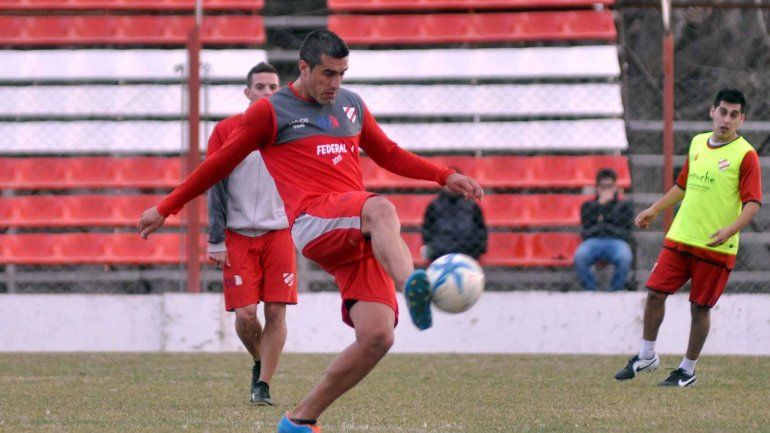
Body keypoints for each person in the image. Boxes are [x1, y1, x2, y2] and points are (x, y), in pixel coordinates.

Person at [137, 29, 483, 432]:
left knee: (377, 337)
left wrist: (444, 176)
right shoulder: (270, 112)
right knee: (383, 208)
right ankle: (414, 285)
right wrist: (167, 207)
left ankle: (299, 420)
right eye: (327, 74)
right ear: (303, 68)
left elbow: (388, 153)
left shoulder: (351, 106)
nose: (335, 83)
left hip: (355, 229)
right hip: (315, 222)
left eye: (342, 74)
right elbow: (218, 164)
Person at [614, 89, 761, 387]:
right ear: (712, 112)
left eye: (734, 115)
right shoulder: (696, 143)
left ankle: (687, 370)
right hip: (681, 236)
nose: (727, 119)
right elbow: (683, 185)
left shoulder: (746, 155)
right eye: (723, 112)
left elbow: (753, 203)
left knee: (700, 307)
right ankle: (646, 355)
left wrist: (729, 230)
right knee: (655, 293)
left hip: (716, 244)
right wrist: (654, 209)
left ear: (742, 120)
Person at [206, 62, 295, 406]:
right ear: (248, 93)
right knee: (245, 317)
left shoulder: (291, 131)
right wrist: (215, 239)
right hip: (237, 235)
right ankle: (261, 363)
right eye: (260, 87)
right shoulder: (227, 131)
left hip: (279, 234)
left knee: (276, 313)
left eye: (274, 87)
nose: (267, 93)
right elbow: (215, 184)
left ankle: (264, 386)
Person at [573, 168, 634, 291]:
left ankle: (615, 291)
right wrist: (601, 206)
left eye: (610, 186)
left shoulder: (624, 206)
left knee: (624, 256)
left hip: (617, 242)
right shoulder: (588, 206)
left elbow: (625, 232)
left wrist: (602, 224)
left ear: (616, 187)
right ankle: (591, 291)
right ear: (597, 188)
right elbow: (586, 230)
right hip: (593, 241)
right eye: (603, 186)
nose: (606, 190)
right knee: (580, 256)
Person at [422, 173, 488, 261]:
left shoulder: (471, 206)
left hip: (468, 253)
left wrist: (478, 250)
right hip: (440, 253)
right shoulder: (434, 205)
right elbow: (427, 230)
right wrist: (433, 248)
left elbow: (481, 230)